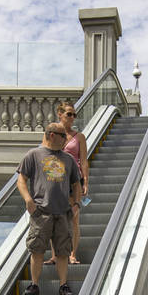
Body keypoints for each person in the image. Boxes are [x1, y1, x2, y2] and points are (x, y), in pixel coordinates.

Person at [16, 123, 81, 295]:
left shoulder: (69, 159)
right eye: (63, 137)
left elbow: (76, 184)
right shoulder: (33, 155)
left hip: (63, 212)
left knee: (63, 251)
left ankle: (63, 285)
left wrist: (76, 204)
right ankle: (34, 284)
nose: (66, 140)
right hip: (41, 212)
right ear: (52, 135)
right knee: (36, 249)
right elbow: (21, 180)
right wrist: (28, 200)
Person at [44, 101, 87, 267]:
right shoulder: (52, 133)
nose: (72, 117)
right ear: (59, 114)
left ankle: (72, 254)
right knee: (55, 218)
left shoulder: (79, 137)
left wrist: (86, 182)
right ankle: (55, 255)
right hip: (55, 180)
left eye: (74, 114)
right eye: (69, 114)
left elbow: (83, 160)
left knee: (74, 219)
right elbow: (45, 154)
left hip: (74, 180)